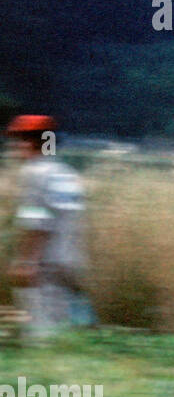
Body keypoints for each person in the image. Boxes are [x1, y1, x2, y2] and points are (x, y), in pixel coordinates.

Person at [6, 115, 94, 338]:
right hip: (70, 261)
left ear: (28, 143)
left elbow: (37, 222)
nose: (14, 148)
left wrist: (27, 263)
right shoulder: (66, 173)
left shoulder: (34, 173)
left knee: (42, 333)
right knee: (66, 329)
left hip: (45, 266)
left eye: (17, 141)